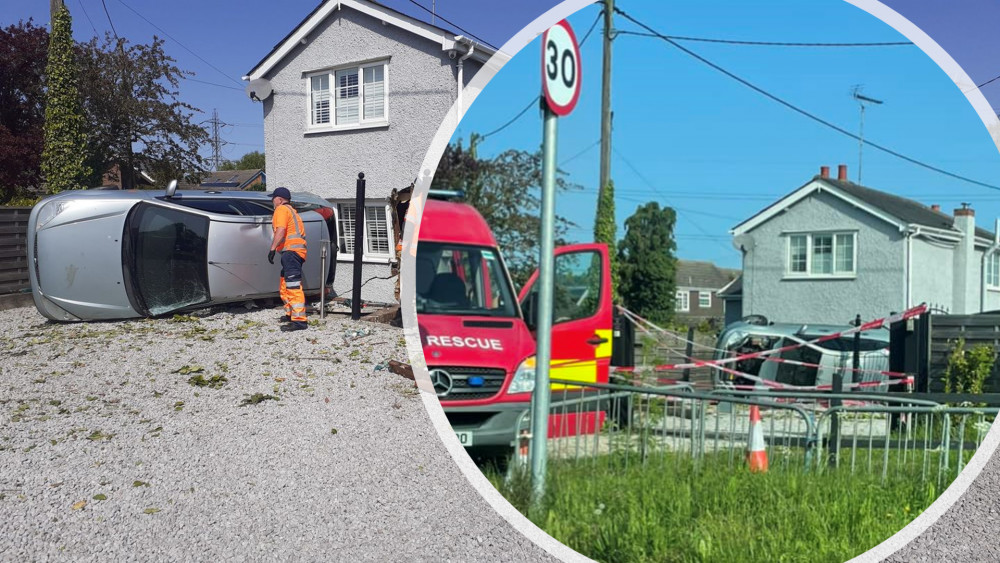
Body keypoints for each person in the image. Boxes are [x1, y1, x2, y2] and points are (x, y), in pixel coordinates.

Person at [267, 187, 308, 332]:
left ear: (279, 199)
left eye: (273, 198)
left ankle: (299, 321)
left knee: (293, 286)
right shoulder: (292, 211)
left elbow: (281, 230)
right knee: (285, 282)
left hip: (291, 252)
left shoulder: (281, 210)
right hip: (294, 252)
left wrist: (272, 248)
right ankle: (290, 313)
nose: (272, 201)